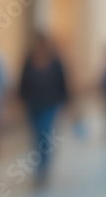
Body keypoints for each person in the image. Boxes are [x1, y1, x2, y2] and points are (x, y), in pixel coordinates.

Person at [18, 32, 69, 186]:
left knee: (44, 134)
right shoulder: (29, 62)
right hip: (33, 105)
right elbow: (23, 83)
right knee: (36, 136)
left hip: (50, 104)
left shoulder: (55, 63)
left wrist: (67, 103)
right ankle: (39, 165)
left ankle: (43, 168)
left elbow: (62, 84)